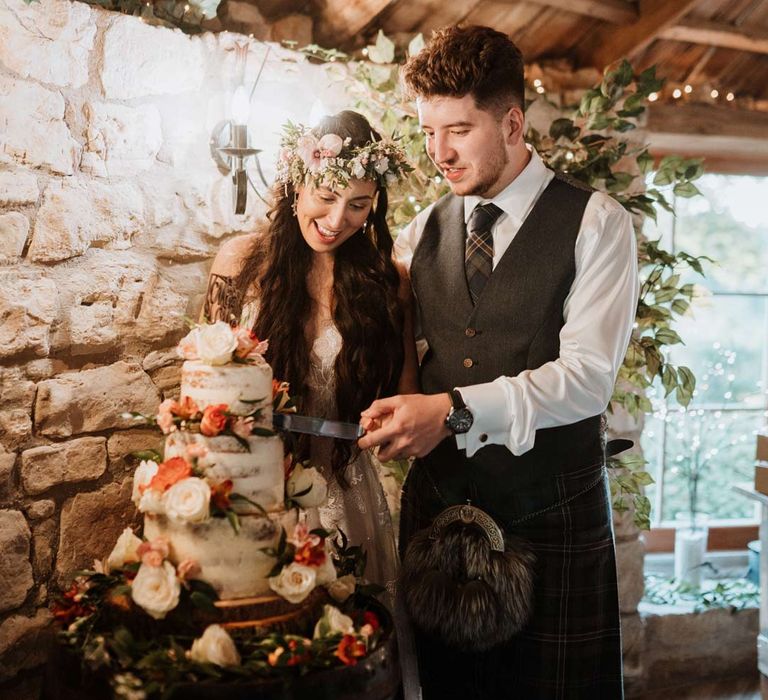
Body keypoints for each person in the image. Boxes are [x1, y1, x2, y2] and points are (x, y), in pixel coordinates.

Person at [358, 25, 638, 699]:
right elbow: (406, 356)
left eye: (458, 130)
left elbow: (588, 381)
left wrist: (452, 410)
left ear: (512, 123)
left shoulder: (598, 224)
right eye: (427, 132)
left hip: (552, 511)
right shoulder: (419, 231)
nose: (439, 154)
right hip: (438, 510)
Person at [202, 110, 421, 695]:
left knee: (346, 664)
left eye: (359, 205)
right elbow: (199, 385)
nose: (337, 219)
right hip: (250, 490)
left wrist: (395, 423)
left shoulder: (389, 281)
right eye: (326, 196)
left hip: (345, 492)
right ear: (295, 179)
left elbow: (404, 396)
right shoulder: (239, 263)